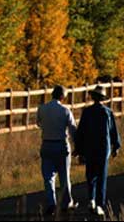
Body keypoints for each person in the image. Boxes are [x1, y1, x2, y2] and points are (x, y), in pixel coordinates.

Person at [74, 85, 121, 216]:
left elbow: (81, 131)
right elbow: (113, 131)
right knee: (101, 176)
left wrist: (78, 149)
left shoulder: (87, 112)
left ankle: (91, 199)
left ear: (93, 97)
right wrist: (116, 146)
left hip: (90, 148)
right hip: (103, 148)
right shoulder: (108, 112)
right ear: (103, 98)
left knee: (90, 175)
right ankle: (100, 204)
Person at [37, 85, 79, 216]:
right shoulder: (65, 110)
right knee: (64, 175)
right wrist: (77, 146)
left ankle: (51, 203)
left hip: (47, 144)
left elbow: (39, 123)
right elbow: (72, 129)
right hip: (61, 144)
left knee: (48, 177)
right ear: (62, 97)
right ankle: (67, 202)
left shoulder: (42, 108)